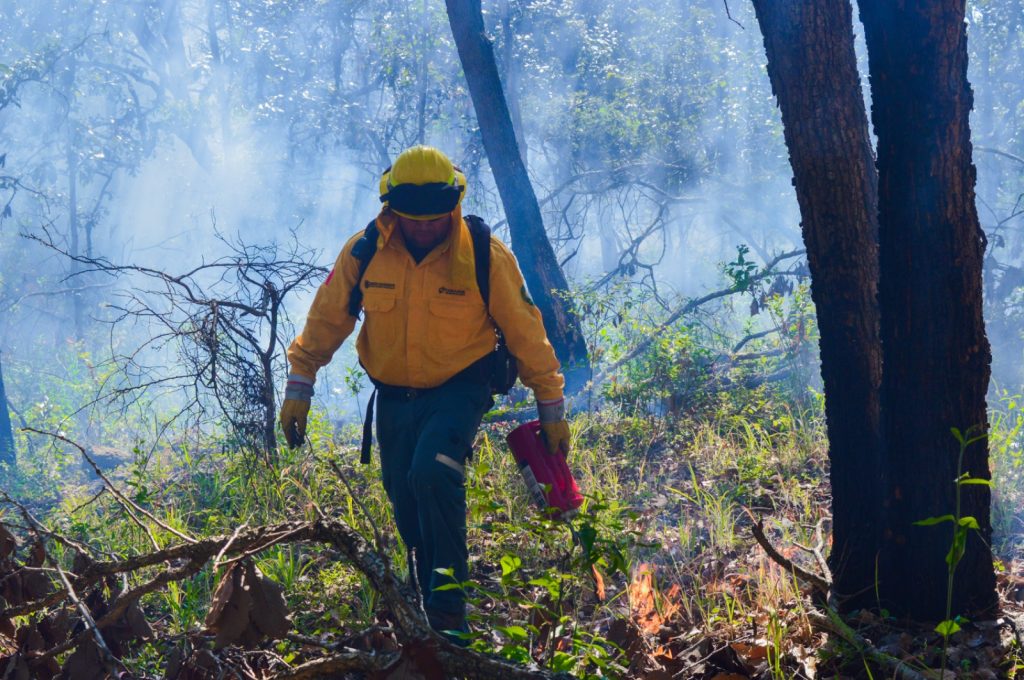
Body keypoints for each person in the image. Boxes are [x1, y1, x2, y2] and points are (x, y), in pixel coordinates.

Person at [278, 145, 570, 640]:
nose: (426, 228)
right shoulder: (363, 252)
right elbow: (327, 320)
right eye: (414, 219)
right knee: (404, 492)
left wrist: (551, 407)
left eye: (436, 219)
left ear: (453, 205)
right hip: (393, 395)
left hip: (460, 387)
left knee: (433, 473)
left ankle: (449, 614)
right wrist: (299, 386)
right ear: (391, 209)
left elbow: (526, 330)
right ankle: (421, 596)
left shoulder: (483, 254)